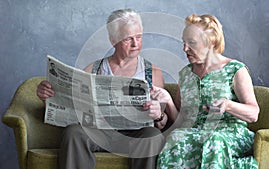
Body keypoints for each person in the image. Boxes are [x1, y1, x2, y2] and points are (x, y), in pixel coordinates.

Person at [36, 9, 169, 169]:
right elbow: (72, 109)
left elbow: (163, 123)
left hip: (135, 135)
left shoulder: (153, 73)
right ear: (113, 40)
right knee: (74, 132)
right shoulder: (93, 69)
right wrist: (48, 97)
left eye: (139, 37)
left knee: (153, 135)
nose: (136, 44)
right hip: (99, 133)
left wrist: (159, 115)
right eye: (128, 39)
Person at [156, 14, 260, 168]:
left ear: (210, 43)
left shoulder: (235, 70)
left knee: (213, 140)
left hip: (230, 134)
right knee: (176, 137)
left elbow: (253, 114)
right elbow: (182, 122)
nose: (185, 49)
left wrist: (228, 105)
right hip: (195, 132)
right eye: (184, 43)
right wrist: (168, 101)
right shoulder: (186, 74)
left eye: (191, 43)